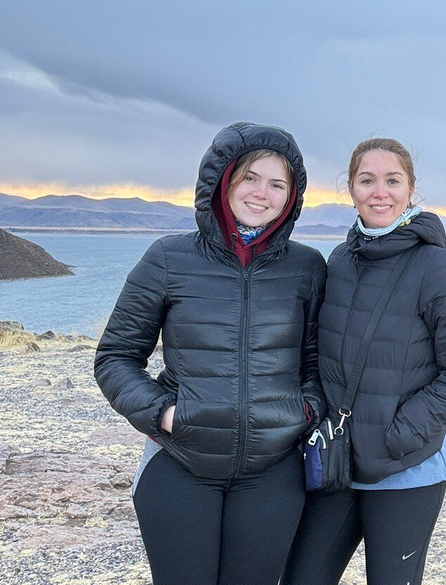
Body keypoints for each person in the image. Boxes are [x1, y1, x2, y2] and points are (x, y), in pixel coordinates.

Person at [94, 122, 326, 585]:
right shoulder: (168, 258)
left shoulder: (307, 267)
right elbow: (115, 356)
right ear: (222, 181)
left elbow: (317, 363)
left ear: (292, 196)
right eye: (250, 178)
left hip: (272, 473)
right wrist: (164, 414)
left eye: (277, 184)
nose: (261, 193)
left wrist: (302, 412)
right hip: (180, 464)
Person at [282, 137, 446, 585]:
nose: (380, 193)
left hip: (406, 467)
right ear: (351, 190)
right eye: (367, 180)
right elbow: (320, 354)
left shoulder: (438, 267)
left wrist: (399, 434)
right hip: (340, 461)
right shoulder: (340, 261)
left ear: (410, 190)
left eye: (392, 181)